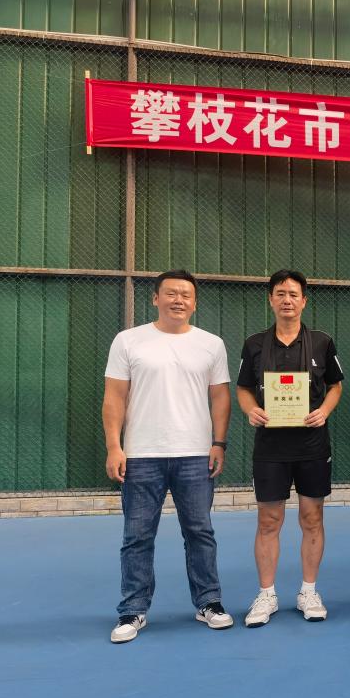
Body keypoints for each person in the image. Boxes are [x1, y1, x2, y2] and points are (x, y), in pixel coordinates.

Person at [103, 270, 233, 643]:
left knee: (200, 532)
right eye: (171, 293)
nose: (179, 300)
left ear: (194, 302)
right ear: (155, 298)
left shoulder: (211, 344)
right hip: (142, 455)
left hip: (196, 455)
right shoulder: (128, 340)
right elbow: (114, 396)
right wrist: (114, 446)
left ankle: (209, 602)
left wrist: (218, 443)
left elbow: (220, 397)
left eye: (186, 295)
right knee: (137, 535)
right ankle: (132, 610)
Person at [236, 270, 343, 626]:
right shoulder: (254, 343)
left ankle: (308, 591)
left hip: (313, 447)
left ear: (304, 301)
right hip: (270, 448)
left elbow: (336, 386)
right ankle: (266, 594)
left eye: (293, 294)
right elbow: (243, 388)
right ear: (271, 299)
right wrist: (250, 409)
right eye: (280, 293)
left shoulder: (322, 342)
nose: (287, 300)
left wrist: (324, 411)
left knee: (312, 518)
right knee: (269, 520)